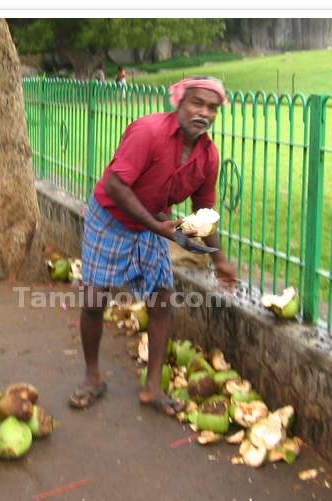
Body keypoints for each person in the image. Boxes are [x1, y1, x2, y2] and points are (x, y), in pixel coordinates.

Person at [70, 76, 238, 415]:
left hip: (155, 224)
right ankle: (92, 378)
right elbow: (117, 186)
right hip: (112, 218)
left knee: (162, 301)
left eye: (212, 108)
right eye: (197, 103)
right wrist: (156, 225)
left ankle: (153, 389)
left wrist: (219, 259)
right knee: (94, 300)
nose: (203, 113)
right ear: (179, 102)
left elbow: (203, 211)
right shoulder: (148, 132)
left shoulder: (208, 157)